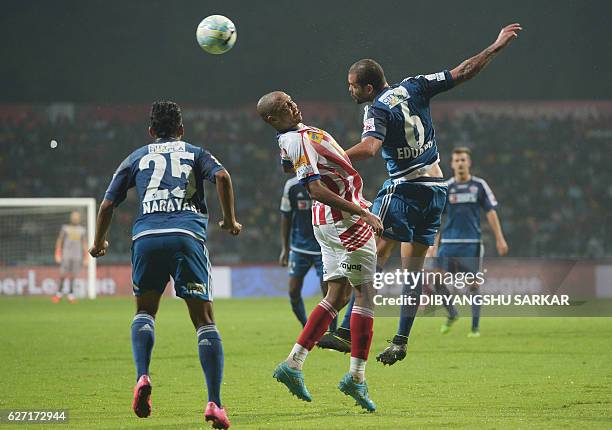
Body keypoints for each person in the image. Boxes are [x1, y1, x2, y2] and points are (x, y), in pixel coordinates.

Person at [318, 23, 522, 365]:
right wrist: (494, 47)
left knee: (372, 258)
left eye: (352, 87)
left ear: (368, 86)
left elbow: (369, 148)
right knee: (414, 270)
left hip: (404, 190)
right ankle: (400, 340)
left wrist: (331, 157)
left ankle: (347, 331)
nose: (349, 91)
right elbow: (462, 72)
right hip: (436, 190)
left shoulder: (375, 108)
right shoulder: (415, 85)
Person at [88, 101, 241, 429]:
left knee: (144, 313)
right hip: (185, 235)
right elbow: (224, 177)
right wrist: (229, 220)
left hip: (146, 238)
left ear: (151, 131)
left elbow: (107, 204)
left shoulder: (136, 156)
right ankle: (214, 403)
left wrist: (99, 242)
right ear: (181, 130)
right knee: (204, 321)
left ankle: (142, 375)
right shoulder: (196, 152)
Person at [257, 91, 383, 412]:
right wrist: (361, 211)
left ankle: (293, 364)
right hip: (345, 221)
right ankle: (356, 378)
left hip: (326, 223)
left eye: (291, 99)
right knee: (365, 295)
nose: (293, 104)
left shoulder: (292, 138)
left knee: (336, 296)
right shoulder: (295, 139)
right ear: (273, 119)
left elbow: (289, 167)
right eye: (284, 106)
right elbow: (313, 188)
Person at [433, 147, 508, 337]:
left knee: (473, 285)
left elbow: (490, 212)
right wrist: (433, 244)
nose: (460, 163)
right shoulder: (446, 188)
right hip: (448, 243)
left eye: (463, 160)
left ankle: (475, 328)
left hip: (471, 242)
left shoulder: (479, 185)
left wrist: (499, 238)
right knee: (436, 281)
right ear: (451, 164)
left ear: (469, 163)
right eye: (456, 160)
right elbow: (437, 218)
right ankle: (452, 313)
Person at [280, 176, 337, 331]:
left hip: (323, 247)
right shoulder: (291, 186)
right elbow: (286, 217)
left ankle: (332, 331)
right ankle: (307, 328)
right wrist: (285, 249)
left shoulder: (326, 182)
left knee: (328, 292)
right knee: (293, 290)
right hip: (299, 248)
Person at [53, 211, 88, 303]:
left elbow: (84, 243)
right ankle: (58, 293)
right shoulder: (65, 228)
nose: (75, 218)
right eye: (74, 217)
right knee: (63, 274)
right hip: (66, 254)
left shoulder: (82, 230)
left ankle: (71, 295)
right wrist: (57, 253)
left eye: (77, 217)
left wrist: (86, 257)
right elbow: (60, 240)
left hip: (77, 256)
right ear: (71, 218)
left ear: (79, 219)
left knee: (73, 276)